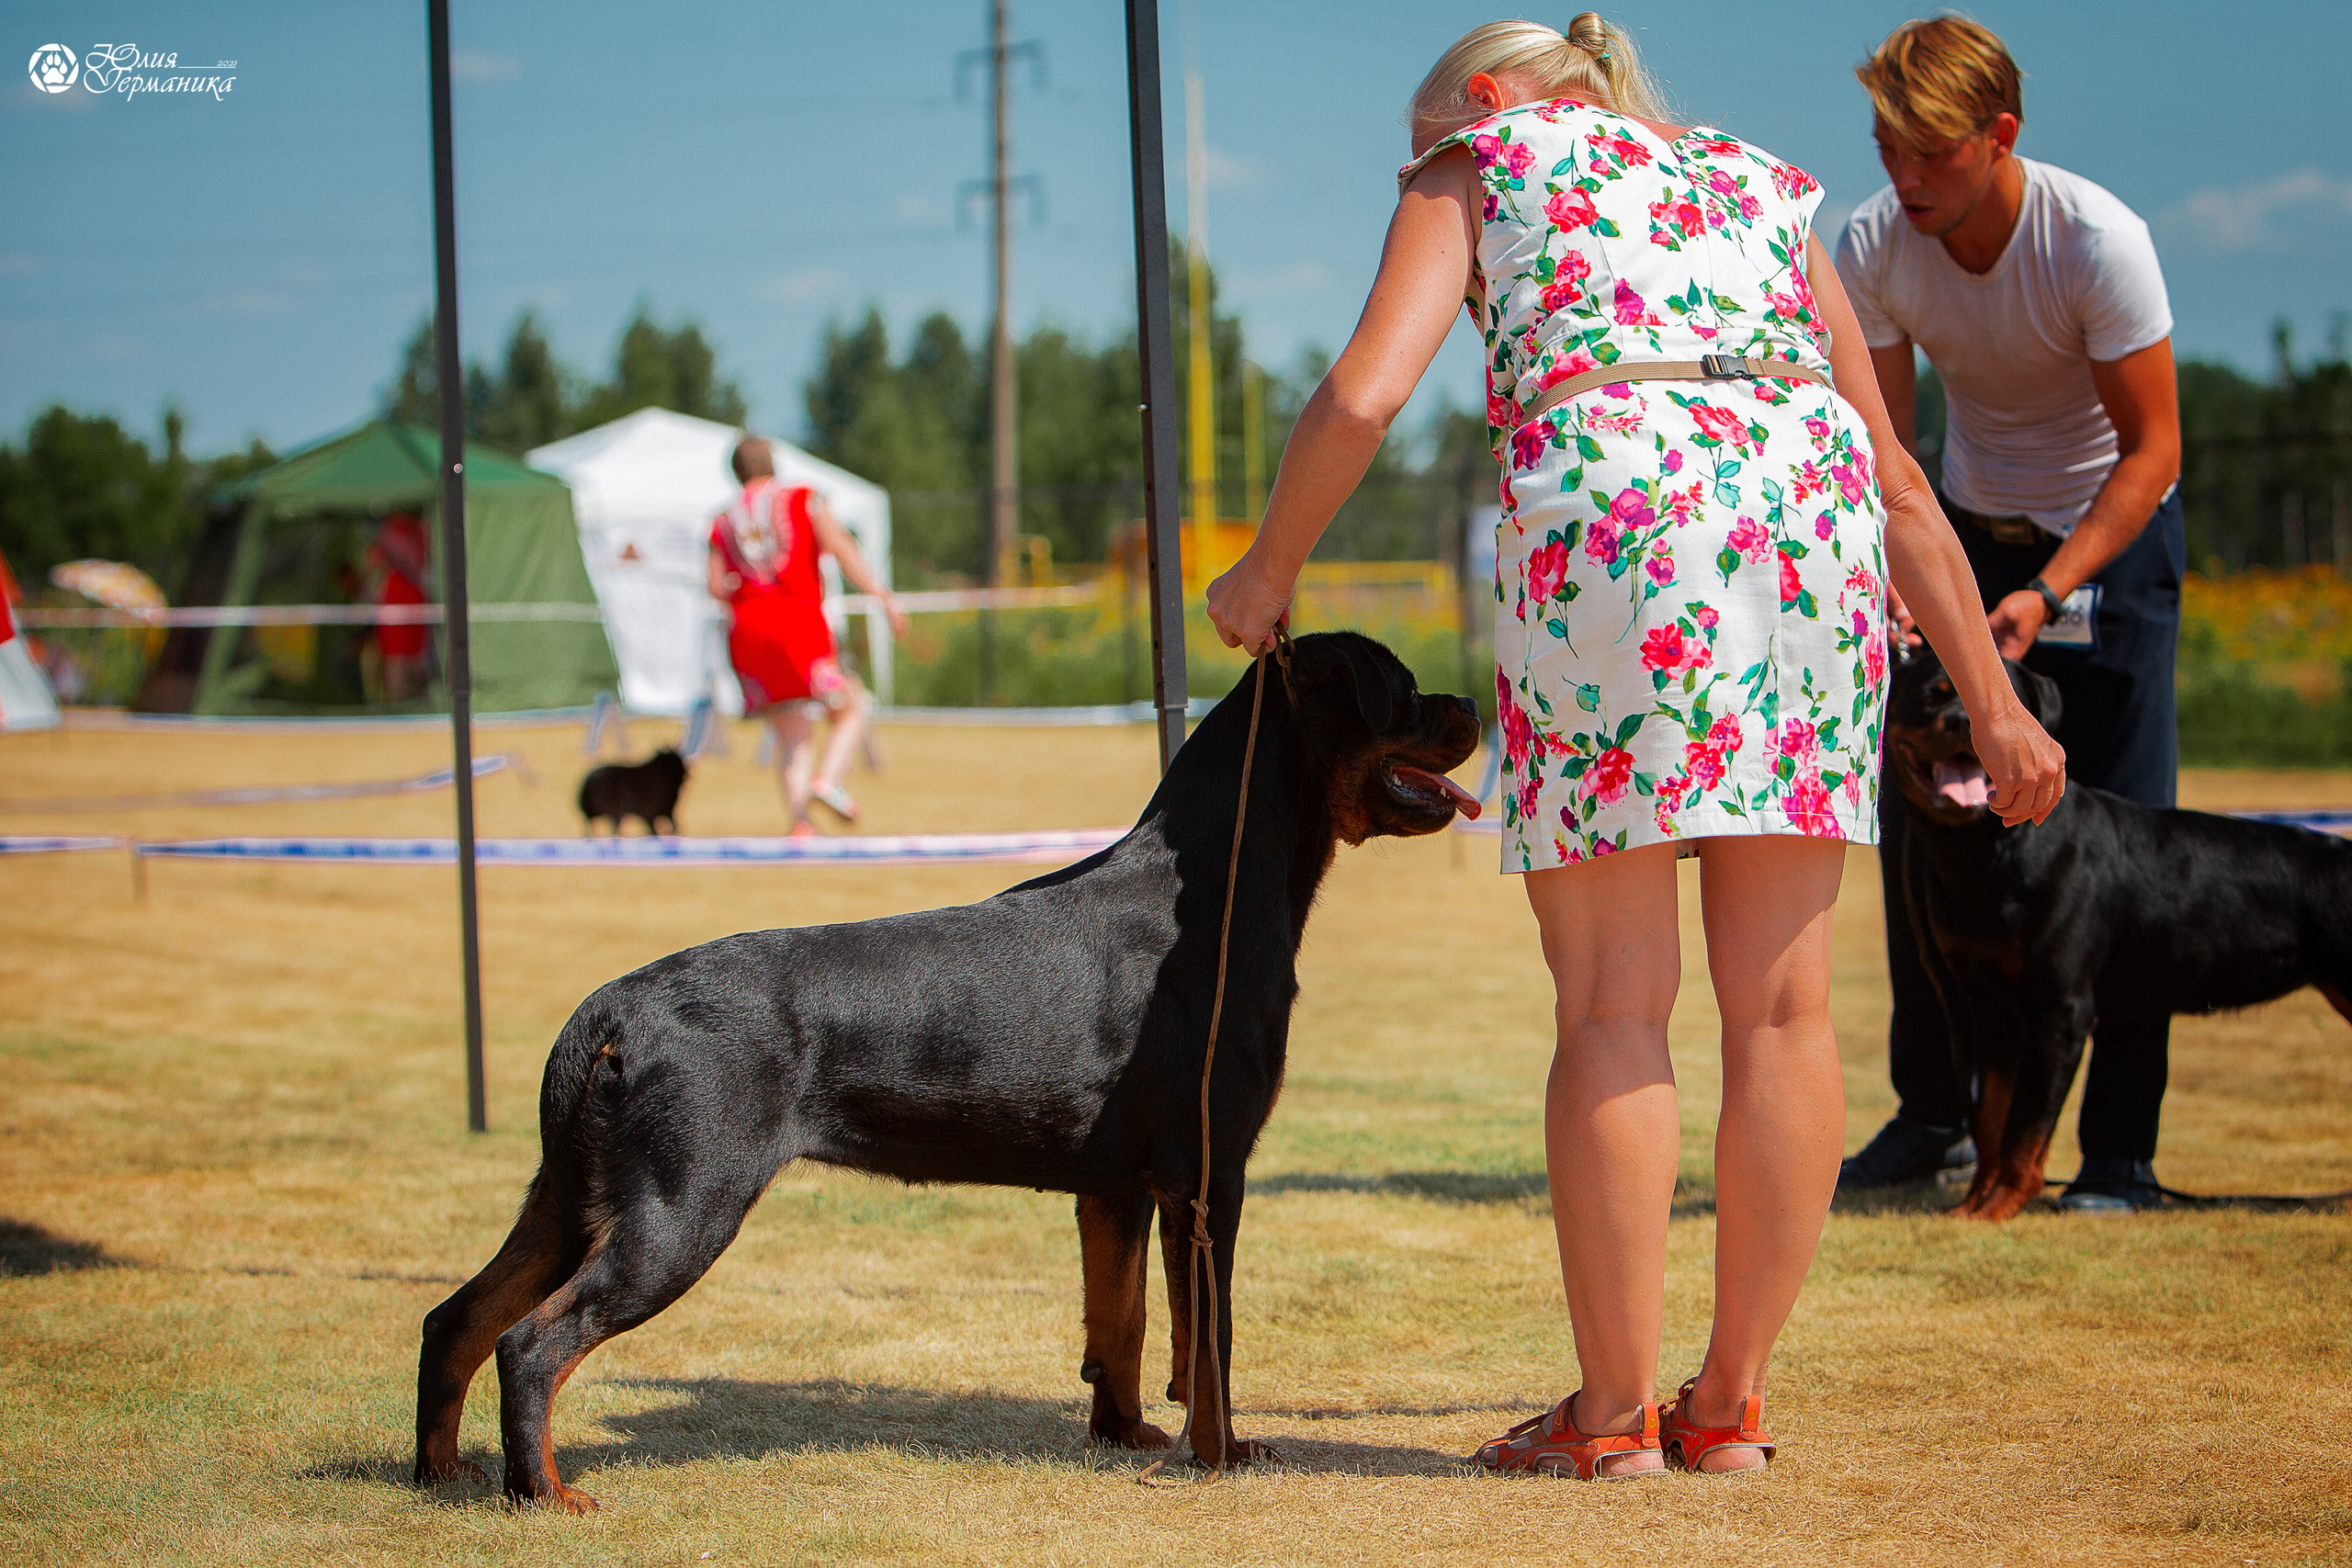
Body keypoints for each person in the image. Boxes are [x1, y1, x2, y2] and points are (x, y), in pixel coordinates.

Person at [1206, 15, 2063, 1477]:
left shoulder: (1478, 158)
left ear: (1483, 103)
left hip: (1620, 525)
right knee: (1784, 1008)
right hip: (1805, 534)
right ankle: (1727, 1403)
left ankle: (1608, 1420)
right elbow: (1898, 476)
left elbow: (1364, 390)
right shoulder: (1760, 183)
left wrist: (1264, 571)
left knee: (1614, 1002)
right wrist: (1994, 700)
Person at [1832, 17, 2183, 1213]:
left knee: (2132, 843)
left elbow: (2153, 450)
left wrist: (2054, 588)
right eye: (1888, 149)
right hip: (1969, 533)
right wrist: (1909, 581)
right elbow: (1885, 456)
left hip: (2114, 542)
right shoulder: (1875, 242)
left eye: (1931, 152)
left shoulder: (2096, 242)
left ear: (2000, 138)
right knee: (1921, 807)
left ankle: (2120, 1156)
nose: (1906, 178)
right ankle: (1932, 1113)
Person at [708, 436, 906, 837]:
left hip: (748, 633)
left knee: (790, 731)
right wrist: (882, 597)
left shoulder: (722, 520)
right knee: (851, 706)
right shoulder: (804, 500)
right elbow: (843, 550)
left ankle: (800, 824)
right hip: (798, 626)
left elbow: (714, 587)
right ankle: (827, 781)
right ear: (772, 463)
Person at [366, 512, 432, 703]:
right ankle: (400, 706)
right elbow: (372, 560)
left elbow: (372, 561)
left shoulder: (419, 529)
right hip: (398, 603)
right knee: (398, 659)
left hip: (412, 603)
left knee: (412, 659)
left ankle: (414, 701)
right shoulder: (392, 533)